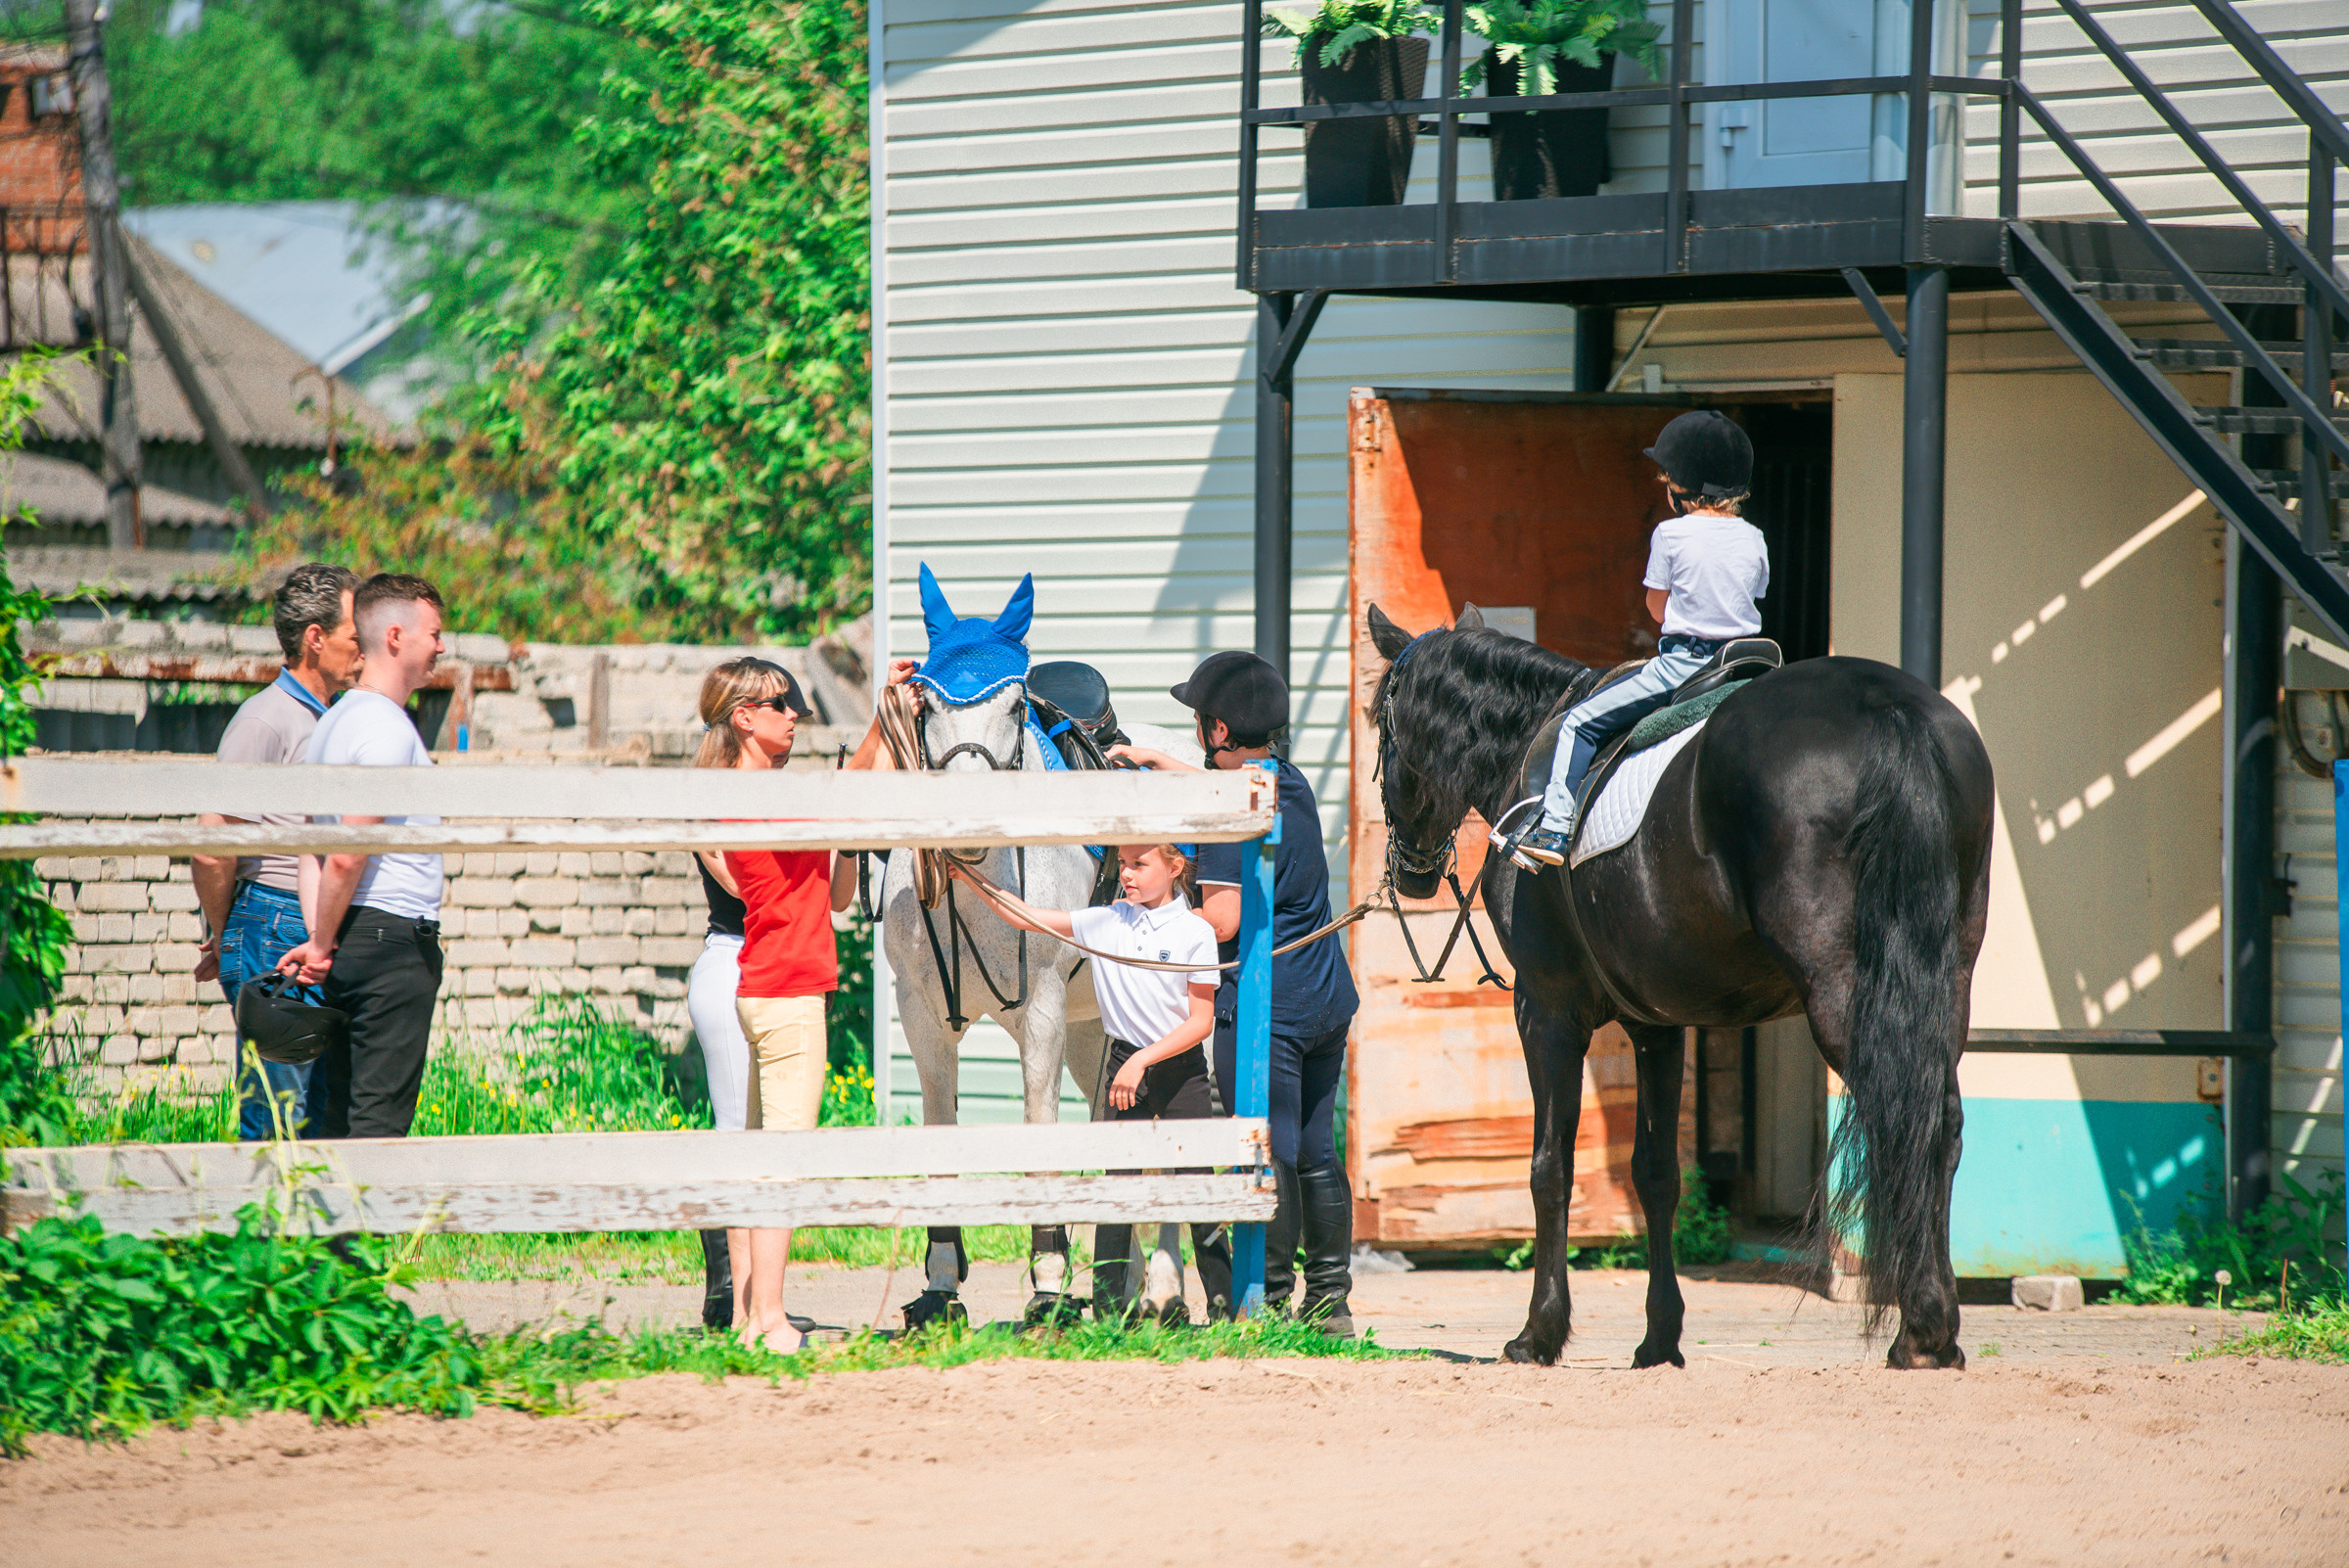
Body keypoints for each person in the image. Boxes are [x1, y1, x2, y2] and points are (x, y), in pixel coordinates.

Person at [1108, 651, 1361, 1334]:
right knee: (1315, 1147)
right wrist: (1168, 768)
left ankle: (1270, 1301)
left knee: (1269, 1147)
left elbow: (1222, 920)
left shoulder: (1229, 813)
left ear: (1218, 729)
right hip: (1326, 992)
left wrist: (1147, 918)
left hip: (1268, 1004)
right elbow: (1249, 784)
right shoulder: (1290, 780)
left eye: (1199, 719)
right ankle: (1330, 1300)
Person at [708, 654, 910, 1353]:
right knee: (784, 1167)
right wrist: (885, 708)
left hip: (760, 986)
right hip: (791, 995)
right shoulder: (774, 795)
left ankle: (747, 1316)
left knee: (761, 1157)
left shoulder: (734, 793)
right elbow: (858, 782)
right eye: (779, 704)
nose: (793, 712)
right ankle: (768, 1319)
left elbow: (832, 891)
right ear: (744, 718)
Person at [949, 844, 1229, 1324]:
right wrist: (971, 878)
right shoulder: (1109, 921)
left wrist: (1142, 1060)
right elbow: (1026, 917)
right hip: (1125, 1064)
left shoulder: (1195, 933)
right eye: (1122, 863)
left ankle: (1227, 1313)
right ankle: (1109, 1316)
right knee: (1115, 1192)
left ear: (1175, 867)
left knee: (1198, 1190)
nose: (1127, 874)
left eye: (1140, 865)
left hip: (1177, 1068)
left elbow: (1201, 1022)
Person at [1506, 409, 1768, 871]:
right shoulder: (1754, 537)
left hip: (1688, 664)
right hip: (1748, 659)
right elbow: (1750, 595)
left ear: (1681, 487)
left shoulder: (1670, 534)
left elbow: (1655, 607)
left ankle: (1555, 828)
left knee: (1578, 724)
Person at [191, 563, 361, 1138]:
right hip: (271, 918)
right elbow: (214, 845)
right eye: (352, 636)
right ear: (316, 638)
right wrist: (225, 932)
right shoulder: (266, 719)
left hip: (299, 925)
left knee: (309, 1106)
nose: (360, 650)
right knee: (277, 1109)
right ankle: (263, 1228)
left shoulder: (329, 719)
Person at [276, 574, 449, 1139]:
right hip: (390, 942)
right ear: (395, 636)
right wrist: (321, 943)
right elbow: (348, 854)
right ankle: (359, 1232)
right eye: (434, 634)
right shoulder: (385, 728)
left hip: (348, 935)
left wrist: (321, 938)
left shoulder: (335, 721)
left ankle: (326, 1231)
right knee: (377, 1125)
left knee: (335, 1115)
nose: (441, 648)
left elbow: (311, 848)